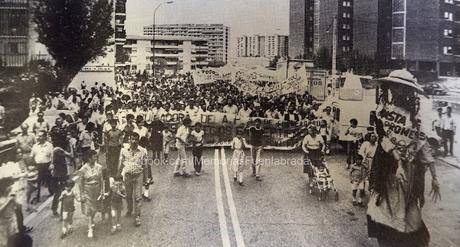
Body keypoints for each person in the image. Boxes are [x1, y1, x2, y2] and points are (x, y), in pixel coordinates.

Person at [367, 69, 441, 247]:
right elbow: (384, 141)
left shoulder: (417, 120)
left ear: (410, 92)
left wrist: (434, 178)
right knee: (385, 215)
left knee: (410, 220)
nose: (397, 91)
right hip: (387, 172)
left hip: (409, 176)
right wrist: (398, 163)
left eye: (402, 88)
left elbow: (424, 150)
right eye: (394, 87)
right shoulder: (383, 114)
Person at [118, 133, 147, 226]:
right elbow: (121, 163)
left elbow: (145, 166)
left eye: (136, 139)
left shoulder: (143, 151)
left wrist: (146, 179)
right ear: (129, 140)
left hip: (138, 175)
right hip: (128, 176)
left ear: (138, 140)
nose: (134, 141)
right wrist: (118, 175)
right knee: (128, 195)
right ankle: (130, 209)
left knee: (138, 197)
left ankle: (137, 216)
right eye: (132, 139)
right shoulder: (124, 150)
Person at [79, 150, 103, 238]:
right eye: (94, 157)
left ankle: (91, 220)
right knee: (89, 209)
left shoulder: (99, 167)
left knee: (95, 208)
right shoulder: (83, 169)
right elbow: (80, 182)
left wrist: (102, 191)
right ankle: (90, 229)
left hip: (96, 190)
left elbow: (101, 180)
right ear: (89, 158)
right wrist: (82, 194)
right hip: (87, 190)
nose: (96, 158)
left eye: (96, 156)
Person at [30, 130, 53, 202]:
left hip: (47, 165)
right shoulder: (35, 146)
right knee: (38, 181)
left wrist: (52, 164)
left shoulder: (49, 145)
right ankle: (38, 196)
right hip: (38, 166)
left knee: (48, 180)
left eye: (41, 136)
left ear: (45, 137)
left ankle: (51, 192)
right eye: (38, 136)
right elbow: (32, 156)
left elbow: (52, 156)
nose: (38, 137)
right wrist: (33, 165)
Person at [50, 143, 72, 217]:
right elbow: (70, 155)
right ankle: (56, 209)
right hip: (58, 176)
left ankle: (57, 209)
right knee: (59, 193)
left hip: (60, 175)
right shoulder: (57, 150)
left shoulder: (56, 151)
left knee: (60, 193)